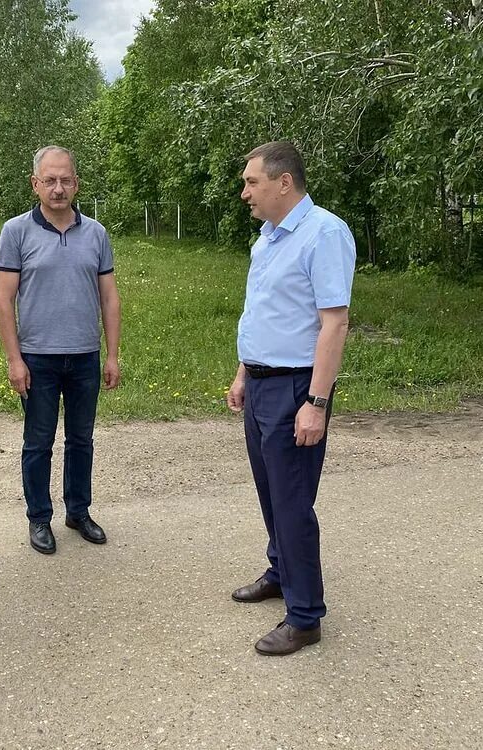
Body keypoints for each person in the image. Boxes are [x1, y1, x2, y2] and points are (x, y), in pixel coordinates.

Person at [227, 142, 355, 656]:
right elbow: (261, 312)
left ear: (284, 182)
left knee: (293, 500)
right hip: (261, 382)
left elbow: (334, 323)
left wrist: (317, 403)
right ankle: (281, 571)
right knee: (270, 489)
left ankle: (305, 616)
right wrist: (242, 373)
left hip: (296, 388)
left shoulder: (324, 234)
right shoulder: (268, 238)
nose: (244, 193)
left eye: (251, 182)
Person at [0, 145, 121, 555]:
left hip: (84, 355)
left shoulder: (96, 233)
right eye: (49, 180)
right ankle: (39, 518)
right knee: (38, 442)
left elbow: (109, 298)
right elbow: (4, 301)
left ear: (76, 183)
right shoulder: (16, 232)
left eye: (66, 179)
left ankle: (79, 511)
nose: (58, 188)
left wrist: (112, 354)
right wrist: (15, 360)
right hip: (38, 358)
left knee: (81, 439)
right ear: (35, 184)